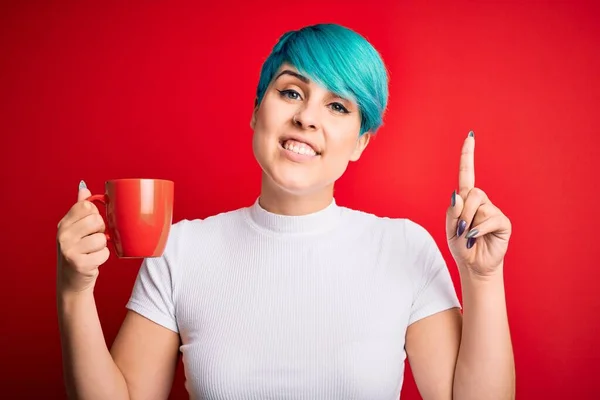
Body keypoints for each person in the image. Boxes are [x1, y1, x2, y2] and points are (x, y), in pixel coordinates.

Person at [56, 23, 515, 400]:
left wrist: (482, 279)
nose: (307, 118)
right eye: (291, 92)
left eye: (337, 105)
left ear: (360, 143)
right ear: (257, 112)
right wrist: (74, 291)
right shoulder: (180, 250)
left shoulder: (403, 248)